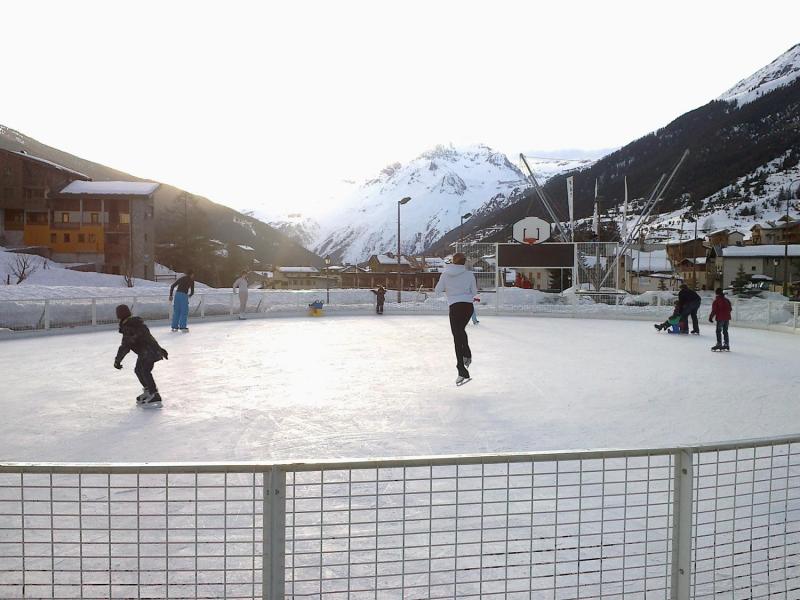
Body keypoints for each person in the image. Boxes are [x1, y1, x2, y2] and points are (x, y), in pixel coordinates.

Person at [434, 253, 478, 385]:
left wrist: (449, 289)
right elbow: (474, 292)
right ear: (464, 262)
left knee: (457, 336)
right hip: (467, 307)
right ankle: (467, 356)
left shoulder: (445, 274)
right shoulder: (469, 274)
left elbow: (437, 291)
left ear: (452, 261)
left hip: (454, 307)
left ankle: (462, 369)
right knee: (460, 331)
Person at [114, 304, 168, 405]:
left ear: (119, 315)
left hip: (148, 352)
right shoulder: (135, 323)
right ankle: (148, 391)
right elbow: (150, 337)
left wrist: (117, 361)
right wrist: (159, 349)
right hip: (147, 352)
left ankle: (154, 394)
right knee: (139, 370)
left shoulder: (129, 326)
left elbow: (125, 346)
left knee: (145, 371)